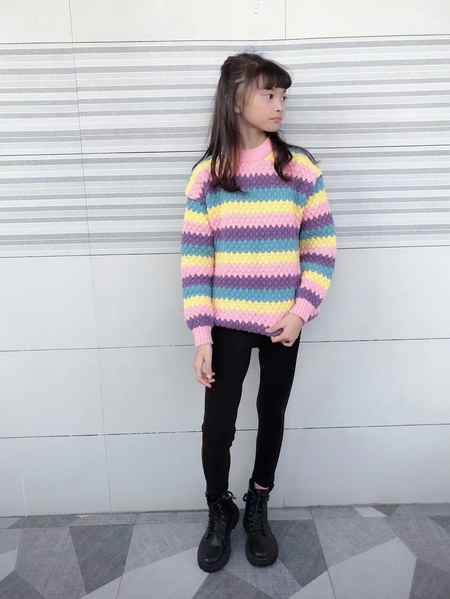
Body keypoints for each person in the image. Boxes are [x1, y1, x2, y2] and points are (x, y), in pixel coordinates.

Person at [180, 52, 337, 573]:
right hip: (225, 325)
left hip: (283, 323)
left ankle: (257, 503)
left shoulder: (298, 169)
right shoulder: (208, 176)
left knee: (272, 414)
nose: (279, 105)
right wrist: (201, 336)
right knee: (217, 427)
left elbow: (321, 248)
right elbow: (196, 262)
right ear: (235, 99)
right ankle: (219, 508)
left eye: (283, 96)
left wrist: (302, 311)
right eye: (269, 94)